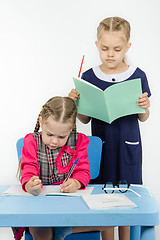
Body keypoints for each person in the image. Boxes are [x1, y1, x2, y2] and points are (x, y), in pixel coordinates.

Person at [69, 17, 151, 240]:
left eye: (117, 49)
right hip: (102, 147)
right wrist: (76, 103)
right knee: (104, 199)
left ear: (128, 47)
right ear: (97, 45)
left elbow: (143, 118)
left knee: (127, 199)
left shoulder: (137, 75)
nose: (110, 54)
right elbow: (84, 119)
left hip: (127, 147)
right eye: (105, 48)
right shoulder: (88, 77)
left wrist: (145, 106)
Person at [12, 96, 111, 240]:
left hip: (69, 205)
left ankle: (62, 229)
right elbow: (28, 170)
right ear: (41, 122)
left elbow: (83, 171)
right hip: (39, 207)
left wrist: (76, 182)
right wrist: (30, 185)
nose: (54, 141)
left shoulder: (79, 141)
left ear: (70, 130)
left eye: (61, 137)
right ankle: (61, 229)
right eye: (49, 134)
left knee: (109, 222)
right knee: (42, 231)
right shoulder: (31, 141)